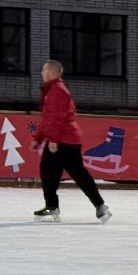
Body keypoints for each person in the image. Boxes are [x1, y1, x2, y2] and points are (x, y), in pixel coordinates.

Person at [32, 60, 109, 223]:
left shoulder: (56, 91)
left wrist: (53, 140)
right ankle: (100, 206)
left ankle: (51, 207)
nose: (41, 73)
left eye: (44, 70)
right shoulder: (55, 90)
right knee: (79, 174)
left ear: (52, 73)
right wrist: (39, 138)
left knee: (48, 171)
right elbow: (48, 118)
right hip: (69, 139)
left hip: (62, 140)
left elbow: (56, 118)